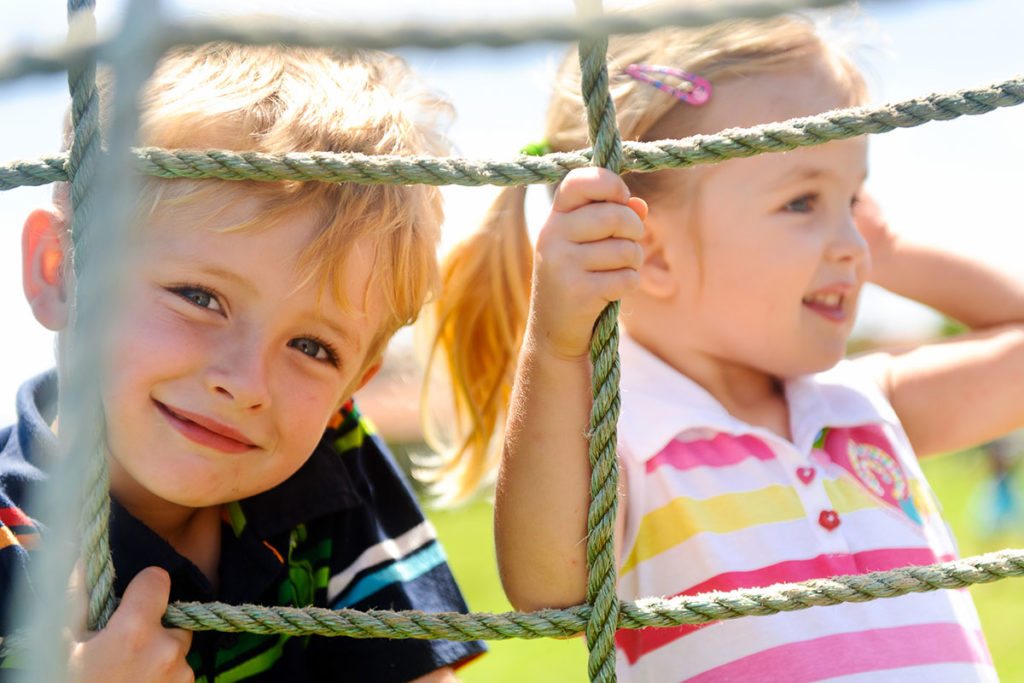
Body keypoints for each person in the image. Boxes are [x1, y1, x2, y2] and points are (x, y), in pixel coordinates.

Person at [431, 15, 1020, 681]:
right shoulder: (626, 439)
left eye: (853, 198)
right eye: (803, 201)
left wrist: (893, 252)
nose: (852, 243)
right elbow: (547, 581)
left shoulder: (865, 404)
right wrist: (560, 345)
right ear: (649, 251)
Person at [0, 44, 485, 681]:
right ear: (60, 271)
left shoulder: (328, 469)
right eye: (200, 298)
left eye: (313, 348)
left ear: (351, 384)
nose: (246, 384)